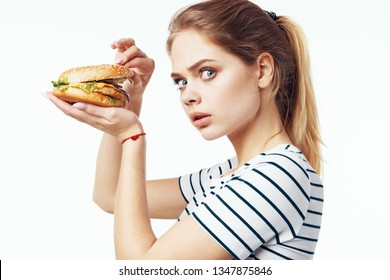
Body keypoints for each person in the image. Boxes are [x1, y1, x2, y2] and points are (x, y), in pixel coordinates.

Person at [46, 0, 324, 260]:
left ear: (262, 70)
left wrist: (131, 137)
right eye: (181, 81)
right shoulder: (238, 172)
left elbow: (140, 271)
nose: (188, 95)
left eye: (207, 72)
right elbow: (109, 196)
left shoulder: (275, 175)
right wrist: (132, 103)